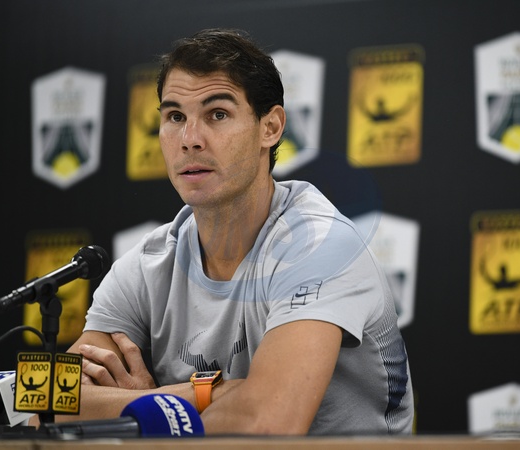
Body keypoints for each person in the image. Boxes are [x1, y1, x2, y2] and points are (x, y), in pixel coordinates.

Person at [60, 28, 414, 436]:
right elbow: (48, 409)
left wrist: (146, 408)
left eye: (217, 114)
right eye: (175, 117)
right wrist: (185, 399)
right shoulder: (146, 265)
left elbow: (267, 424)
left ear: (271, 127)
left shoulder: (320, 247)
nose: (190, 140)